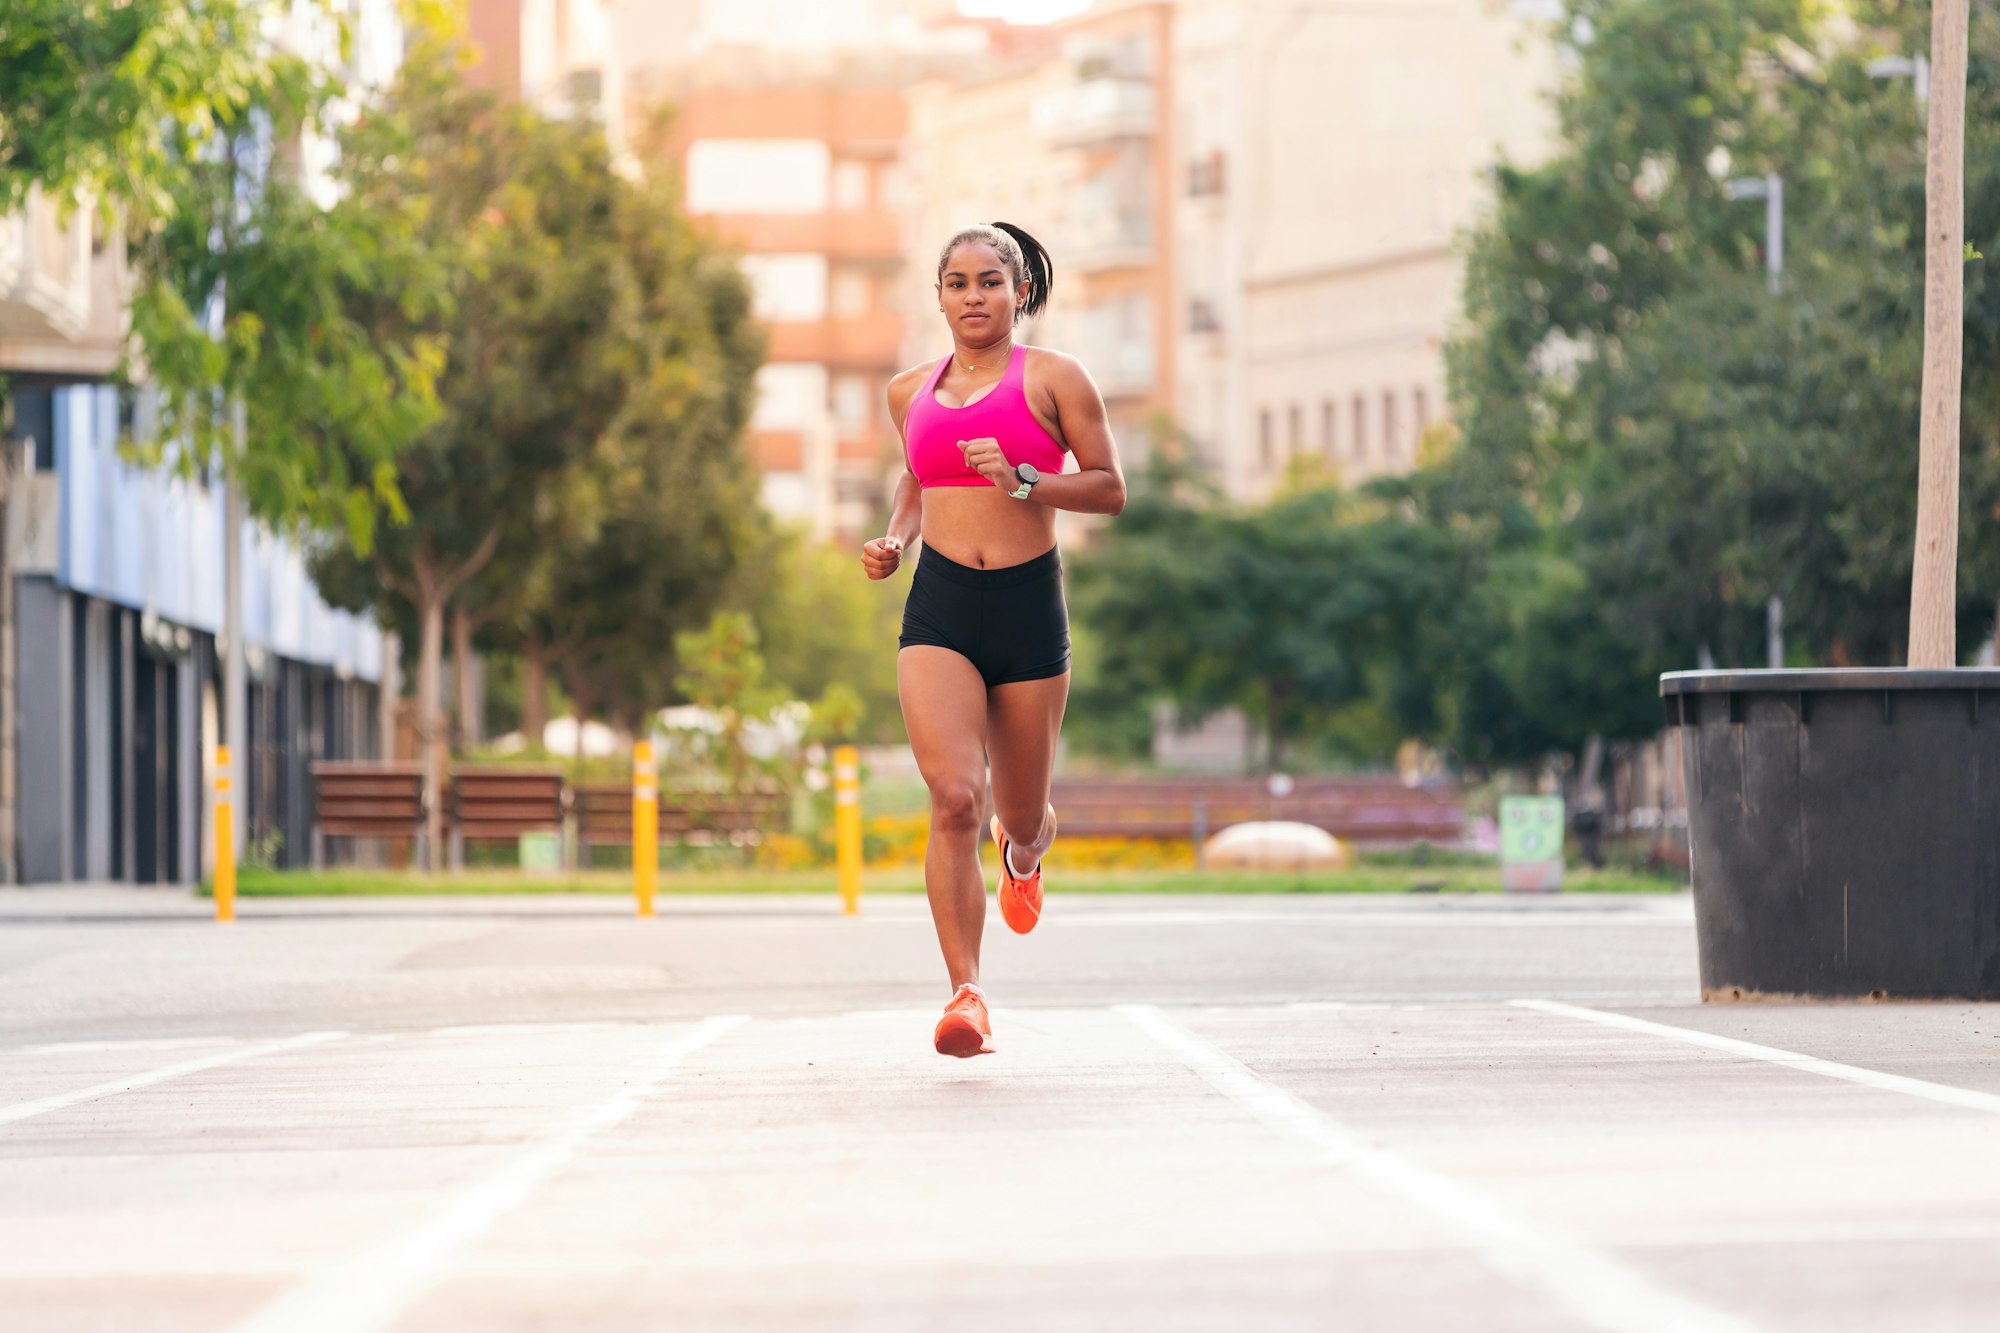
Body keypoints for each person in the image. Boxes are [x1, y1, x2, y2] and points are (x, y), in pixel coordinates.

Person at [861, 222, 1126, 1057]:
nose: (973, 297)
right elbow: (916, 481)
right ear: (937, 295)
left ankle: (1025, 851)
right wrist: (896, 541)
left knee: (1014, 812)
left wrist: (1024, 479)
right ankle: (965, 993)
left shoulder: (1055, 379)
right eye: (957, 282)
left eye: (989, 282)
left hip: (1025, 608)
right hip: (940, 606)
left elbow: (1109, 488)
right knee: (953, 801)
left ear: (1019, 292)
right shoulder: (910, 391)